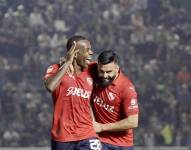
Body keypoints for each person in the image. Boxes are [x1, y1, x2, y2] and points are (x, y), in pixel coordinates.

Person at [43, 35, 101, 150]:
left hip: (87, 134)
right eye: (87, 50)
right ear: (75, 53)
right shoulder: (55, 68)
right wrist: (66, 63)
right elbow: (50, 86)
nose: (91, 52)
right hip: (62, 136)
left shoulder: (92, 70)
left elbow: (112, 69)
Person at [91, 50, 139, 150]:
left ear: (117, 69)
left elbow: (133, 122)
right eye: (101, 71)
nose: (104, 76)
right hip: (99, 141)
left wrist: (102, 127)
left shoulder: (126, 88)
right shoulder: (92, 69)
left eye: (109, 72)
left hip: (122, 144)